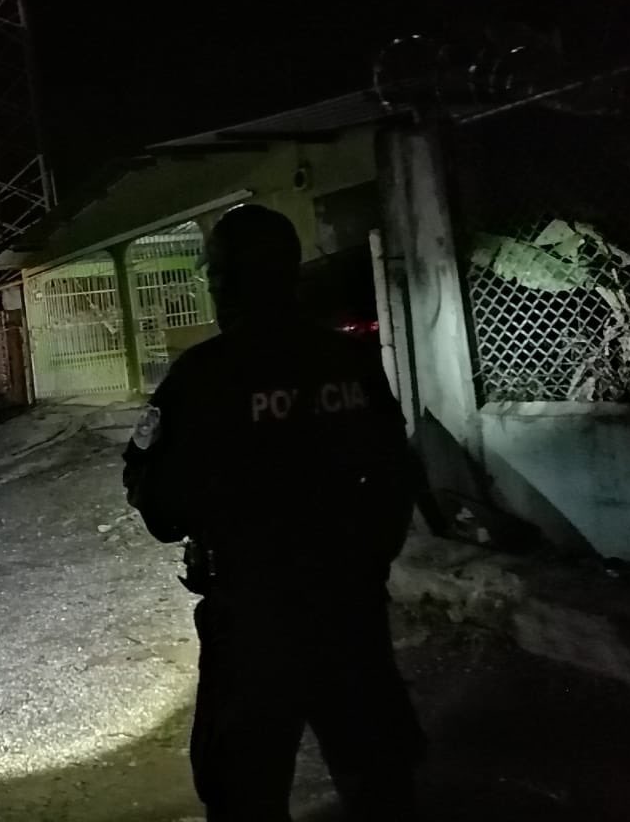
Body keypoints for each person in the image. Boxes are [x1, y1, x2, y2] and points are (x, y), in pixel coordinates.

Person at [122, 204, 425, 821]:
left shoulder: (204, 375)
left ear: (223, 282)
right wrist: (364, 560)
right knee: (379, 780)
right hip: (350, 606)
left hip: (254, 618)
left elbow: (162, 509)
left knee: (245, 791)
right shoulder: (349, 361)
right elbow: (397, 476)